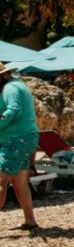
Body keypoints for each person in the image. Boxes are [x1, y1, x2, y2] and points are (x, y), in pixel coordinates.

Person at [0, 62, 41, 231]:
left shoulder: (10, 89)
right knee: (19, 181)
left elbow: (13, 110)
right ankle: (30, 220)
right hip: (26, 138)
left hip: (16, 140)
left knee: (1, 180)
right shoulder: (18, 85)